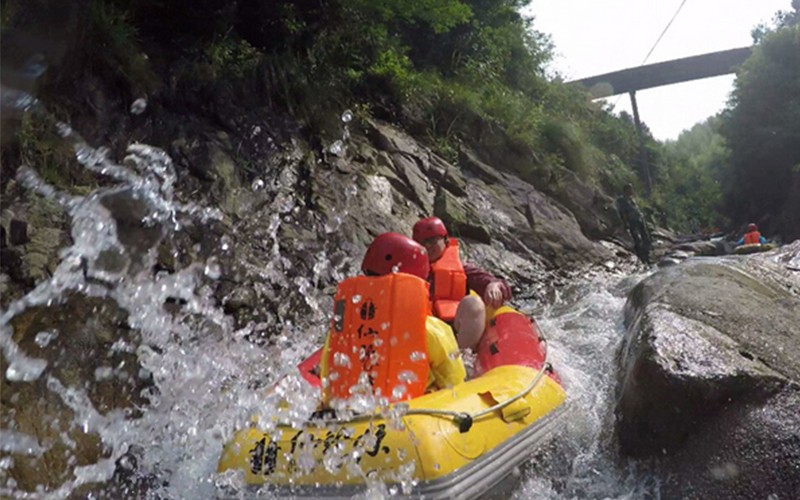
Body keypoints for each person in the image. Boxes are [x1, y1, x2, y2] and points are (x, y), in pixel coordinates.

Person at [319, 233, 466, 408]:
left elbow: (328, 377)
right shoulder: (430, 328)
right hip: (409, 417)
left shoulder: (343, 326)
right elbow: (455, 384)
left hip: (346, 414)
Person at [412, 217, 512, 351]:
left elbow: (494, 282)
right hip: (420, 330)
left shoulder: (463, 269)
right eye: (422, 243)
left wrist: (494, 286)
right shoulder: (407, 268)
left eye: (432, 241)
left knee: (473, 303)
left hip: (453, 332)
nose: (427, 246)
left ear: (445, 241)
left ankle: (459, 359)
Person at [616, 184, 652, 265]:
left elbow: (636, 210)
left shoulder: (631, 199)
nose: (632, 191)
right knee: (637, 240)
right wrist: (625, 223)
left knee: (645, 238)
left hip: (639, 220)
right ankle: (642, 259)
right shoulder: (622, 200)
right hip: (632, 222)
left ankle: (647, 257)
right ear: (626, 190)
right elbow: (623, 213)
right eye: (630, 189)